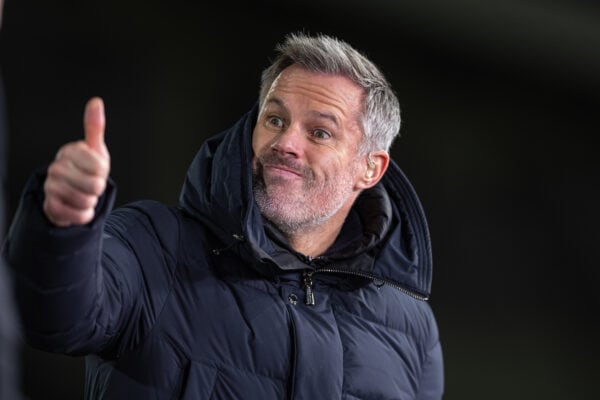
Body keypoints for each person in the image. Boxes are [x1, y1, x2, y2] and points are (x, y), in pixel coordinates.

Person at [4, 33, 444, 399]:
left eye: (320, 132)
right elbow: (50, 318)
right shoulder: (153, 245)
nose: (286, 142)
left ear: (370, 168)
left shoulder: (410, 327)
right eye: (274, 119)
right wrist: (64, 227)